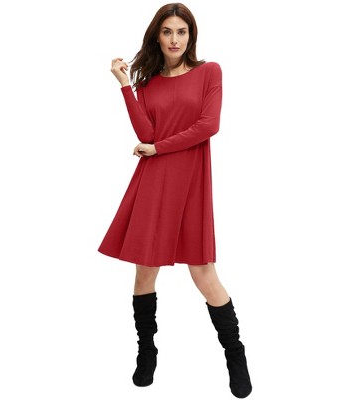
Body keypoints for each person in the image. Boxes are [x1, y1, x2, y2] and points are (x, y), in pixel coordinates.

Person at [98, 3, 252, 398]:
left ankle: (235, 355)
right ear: (157, 35)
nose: (174, 39)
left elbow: (209, 125)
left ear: (191, 36)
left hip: (191, 181)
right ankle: (146, 352)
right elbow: (146, 133)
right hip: (154, 181)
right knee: (145, 271)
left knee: (203, 272)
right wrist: (125, 85)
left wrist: (158, 148)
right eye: (167, 31)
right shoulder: (148, 82)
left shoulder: (209, 72)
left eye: (181, 32)